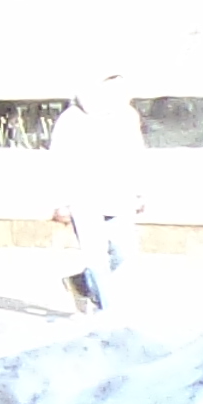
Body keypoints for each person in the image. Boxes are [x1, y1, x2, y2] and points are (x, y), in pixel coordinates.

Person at [52, 67, 146, 317]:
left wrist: (139, 192)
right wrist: (60, 201)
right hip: (82, 197)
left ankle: (81, 283)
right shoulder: (72, 118)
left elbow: (136, 155)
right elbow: (59, 160)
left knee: (124, 253)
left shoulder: (128, 115)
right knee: (96, 258)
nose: (126, 95)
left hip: (119, 195)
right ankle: (106, 312)